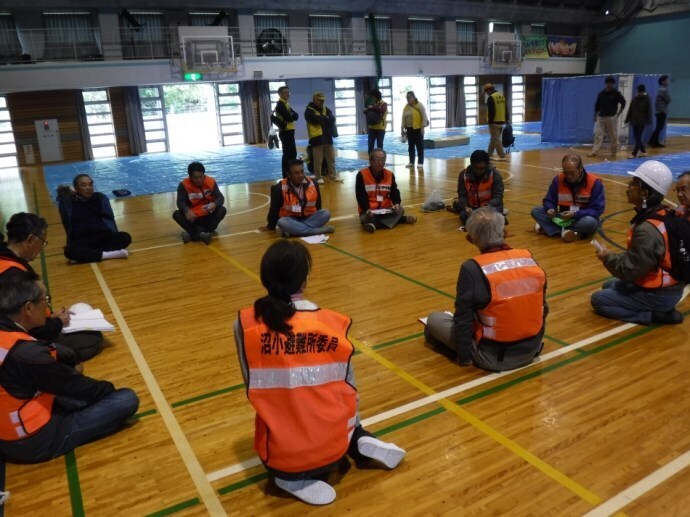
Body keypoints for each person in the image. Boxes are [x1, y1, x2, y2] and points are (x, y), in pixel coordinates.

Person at [234, 240, 406, 506]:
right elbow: (351, 388)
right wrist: (353, 425)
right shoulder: (332, 324)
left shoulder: (245, 325)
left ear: (264, 277)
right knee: (338, 402)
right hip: (335, 440)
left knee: (281, 411)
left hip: (285, 453)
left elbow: (252, 386)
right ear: (303, 281)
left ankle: (289, 478)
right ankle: (358, 437)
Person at [0, 269, 138, 463]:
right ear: (28, 309)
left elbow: (46, 353)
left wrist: (69, 357)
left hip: (11, 421)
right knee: (126, 399)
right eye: (44, 300)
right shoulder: (27, 354)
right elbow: (76, 385)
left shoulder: (8, 332)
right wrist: (108, 391)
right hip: (32, 440)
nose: (47, 306)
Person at [424, 207, 547, 372]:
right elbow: (543, 308)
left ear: (470, 239)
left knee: (433, 321)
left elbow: (463, 318)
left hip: (493, 357)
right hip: (532, 349)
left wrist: (464, 358)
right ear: (505, 232)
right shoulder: (528, 258)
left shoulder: (472, 268)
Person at [591, 160, 685, 325]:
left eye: (633, 184)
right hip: (669, 287)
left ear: (644, 194)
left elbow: (630, 271)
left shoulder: (647, 230)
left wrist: (607, 258)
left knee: (599, 300)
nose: (628, 187)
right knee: (608, 285)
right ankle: (659, 307)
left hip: (660, 294)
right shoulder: (664, 213)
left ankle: (655, 315)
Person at [0, 213, 103, 361]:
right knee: (93, 339)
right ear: (30, 240)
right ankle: (50, 362)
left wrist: (49, 315)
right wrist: (57, 322)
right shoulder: (16, 276)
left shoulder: (5, 259)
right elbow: (35, 330)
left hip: (12, 337)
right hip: (21, 343)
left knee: (81, 309)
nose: (42, 247)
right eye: (42, 241)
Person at [57, 174, 131, 263]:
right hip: (83, 240)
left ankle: (92, 255)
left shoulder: (99, 198)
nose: (88, 188)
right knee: (69, 250)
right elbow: (61, 196)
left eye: (90, 184)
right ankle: (109, 254)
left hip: (102, 236)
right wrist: (69, 191)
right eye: (83, 185)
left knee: (125, 237)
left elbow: (109, 217)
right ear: (75, 188)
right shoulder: (69, 202)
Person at [531, 154, 605, 242]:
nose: (568, 176)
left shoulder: (594, 183)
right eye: (565, 172)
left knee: (590, 223)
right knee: (536, 211)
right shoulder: (558, 179)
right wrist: (550, 209)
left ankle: (552, 229)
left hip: (582, 217)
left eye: (572, 173)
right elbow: (549, 199)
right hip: (562, 216)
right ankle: (572, 233)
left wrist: (575, 214)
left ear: (580, 169)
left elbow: (597, 209)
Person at [259, 159, 335, 238]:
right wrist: (270, 226)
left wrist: (317, 217)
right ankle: (317, 231)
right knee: (281, 222)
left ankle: (293, 231)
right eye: (296, 173)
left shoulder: (313, 184)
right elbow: (274, 209)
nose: (301, 175)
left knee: (326, 213)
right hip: (291, 219)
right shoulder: (278, 188)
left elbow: (318, 206)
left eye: (302, 171)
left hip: (309, 218)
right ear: (289, 175)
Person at [355, 148, 417, 233]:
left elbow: (394, 192)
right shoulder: (362, 175)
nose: (380, 162)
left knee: (401, 210)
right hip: (370, 211)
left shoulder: (390, 175)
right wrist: (367, 209)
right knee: (366, 218)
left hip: (386, 209)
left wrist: (396, 203)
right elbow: (360, 196)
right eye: (377, 159)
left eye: (383, 159)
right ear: (371, 161)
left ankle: (375, 225)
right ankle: (400, 220)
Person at [172, 161, 227, 245]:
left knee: (222, 210)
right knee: (176, 214)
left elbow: (221, 197)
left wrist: (215, 204)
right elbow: (180, 202)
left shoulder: (210, 182)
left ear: (204, 174)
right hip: (193, 218)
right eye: (195, 178)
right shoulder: (183, 185)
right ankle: (202, 234)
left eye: (201, 177)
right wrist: (187, 210)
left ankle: (193, 234)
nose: (199, 180)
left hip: (208, 216)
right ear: (190, 176)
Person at [456, 150, 505, 230]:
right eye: (476, 168)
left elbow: (498, 197)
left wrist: (484, 208)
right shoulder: (463, 175)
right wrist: (466, 207)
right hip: (472, 208)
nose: (479, 171)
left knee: (489, 217)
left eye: (482, 168)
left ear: (487, 165)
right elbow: (462, 195)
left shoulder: (495, 175)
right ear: (471, 165)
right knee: (463, 215)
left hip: (490, 207)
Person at [304, 92, 342, 185]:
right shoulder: (309, 110)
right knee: (318, 160)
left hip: (327, 137)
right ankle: (318, 177)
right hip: (316, 138)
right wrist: (325, 118)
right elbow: (314, 119)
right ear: (314, 99)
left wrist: (323, 118)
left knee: (331, 158)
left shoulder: (326, 109)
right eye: (320, 100)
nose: (322, 102)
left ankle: (332, 175)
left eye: (323, 100)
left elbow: (332, 119)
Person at [589, 76, 626, 157]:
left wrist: (618, 114)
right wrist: (595, 115)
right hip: (601, 117)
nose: (609, 85)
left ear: (613, 84)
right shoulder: (601, 94)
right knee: (598, 135)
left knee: (613, 135)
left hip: (611, 117)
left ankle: (613, 152)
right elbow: (597, 106)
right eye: (608, 83)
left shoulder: (616, 93)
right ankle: (594, 152)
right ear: (605, 83)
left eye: (611, 83)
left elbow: (623, 103)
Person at [274, 85, 299, 178]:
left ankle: (292, 173)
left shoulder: (286, 104)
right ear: (280, 94)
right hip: (285, 132)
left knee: (293, 153)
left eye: (288, 92)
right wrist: (292, 115)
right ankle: (286, 175)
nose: (287, 94)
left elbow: (296, 116)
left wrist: (292, 115)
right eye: (285, 92)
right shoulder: (280, 105)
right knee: (288, 154)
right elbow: (289, 118)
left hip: (290, 131)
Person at [401, 91, 428, 170]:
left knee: (419, 146)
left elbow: (424, 117)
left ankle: (420, 162)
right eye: (407, 98)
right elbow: (403, 118)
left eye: (409, 97)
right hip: (409, 129)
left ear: (413, 97)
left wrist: (422, 128)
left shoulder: (419, 105)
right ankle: (411, 162)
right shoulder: (406, 107)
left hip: (418, 129)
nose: (407, 99)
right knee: (411, 146)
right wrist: (402, 128)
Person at [625, 84, 652, 159]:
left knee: (638, 137)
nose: (639, 92)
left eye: (640, 91)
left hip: (642, 121)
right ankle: (643, 151)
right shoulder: (634, 99)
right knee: (637, 137)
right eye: (639, 91)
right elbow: (630, 110)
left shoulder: (647, 99)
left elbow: (649, 111)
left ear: (643, 91)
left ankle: (634, 154)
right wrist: (627, 119)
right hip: (634, 121)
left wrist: (648, 120)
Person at [483, 84, 507, 162]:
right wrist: (507, 119)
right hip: (502, 120)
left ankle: (502, 155)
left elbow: (491, 111)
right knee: (494, 138)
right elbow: (506, 109)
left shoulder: (491, 98)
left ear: (488, 90)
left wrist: (490, 122)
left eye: (486, 92)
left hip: (494, 121)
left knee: (496, 139)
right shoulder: (501, 96)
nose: (487, 93)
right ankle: (489, 155)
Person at [648, 75, 671, 148]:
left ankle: (654, 141)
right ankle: (652, 141)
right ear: (662, 82)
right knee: (659, 127)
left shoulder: (660, 89)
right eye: (666, 80)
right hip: (661, 111)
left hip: (659, 111)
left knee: (659, 127)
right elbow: (669, 100)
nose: (668, 81)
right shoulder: (663, 90)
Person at [364, 88, 388, 154]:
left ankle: (380, 162)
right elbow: (368, 114)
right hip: (371, 128)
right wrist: (366, 110)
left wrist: (372, 107)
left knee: (379, 147)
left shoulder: (383, 104)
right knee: (370, 146)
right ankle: (371, 162)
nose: (372, 98)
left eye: (373, 97)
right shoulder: (372, 103)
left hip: (380, 129)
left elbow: (382, 110)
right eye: (372, 97)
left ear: (377, 96)